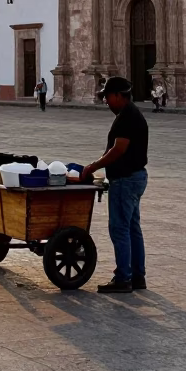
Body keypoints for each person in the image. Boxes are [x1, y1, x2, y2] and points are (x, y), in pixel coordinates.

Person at [81, 75, 148, 294]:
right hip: (136, 176)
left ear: (119, 95)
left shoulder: (127, 117)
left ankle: (123, 278)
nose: (106, 101)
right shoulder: (132, 114)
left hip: (126, 179)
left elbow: (118, 149)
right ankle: (137, 276)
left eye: (108, 97)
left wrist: (93, 166)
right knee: (132, 228)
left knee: (119, 229)